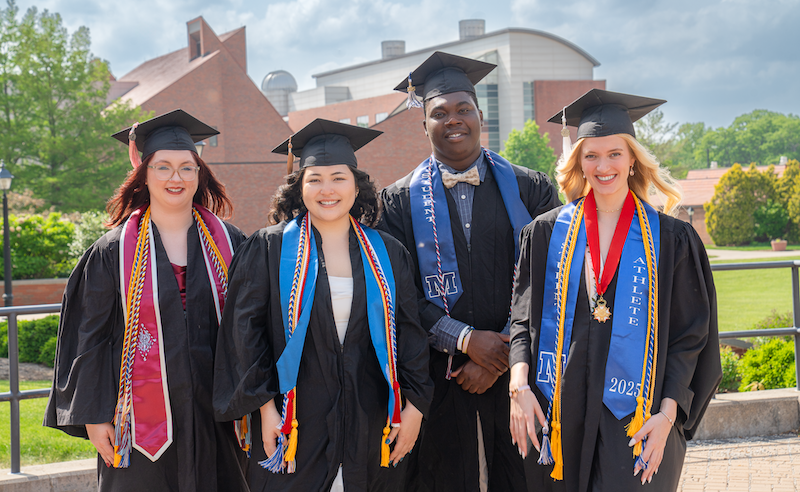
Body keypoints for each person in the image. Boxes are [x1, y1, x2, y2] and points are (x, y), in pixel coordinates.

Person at [508, 89, 721, 492]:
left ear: (633, 159)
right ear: (578, 161)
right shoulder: (546, 234)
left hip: (639, 420)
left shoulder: (672, 240)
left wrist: (668, 417)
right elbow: (522, 321)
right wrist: (518, 388)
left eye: (615, 154)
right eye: (591, 155)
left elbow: (690, 337)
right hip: (558, 417)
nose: (603, 166)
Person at [213, 119, 434, 492]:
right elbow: (244, 334)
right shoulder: (268, 249)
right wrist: (265, 409)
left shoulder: (388, 252)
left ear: (356, 186)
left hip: (372, 423)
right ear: (299, 188)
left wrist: (415, 407)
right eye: (314, 179)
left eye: (338, 178)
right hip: (294, 424)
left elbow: (410, 333)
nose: (327, 189)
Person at [379, 52, 561, 492]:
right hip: (439, 376)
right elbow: (398, 294)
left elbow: (551, 277)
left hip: (522, 374)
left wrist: (503, 355)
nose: (453, 120)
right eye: (439, 113)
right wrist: (465, 341)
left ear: (481, 116)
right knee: (443, 477)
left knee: (522, 478)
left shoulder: (532, 189)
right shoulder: (397, 203)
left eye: (464, 109)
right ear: (423, 125)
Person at [44, 110, 249, 491]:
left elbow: (251, 326)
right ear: (144, 173)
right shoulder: (112, 251)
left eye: (187, 168)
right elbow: (90, 336)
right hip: (138, 423)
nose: (176, 178)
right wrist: (94, 416)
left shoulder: (231, 243)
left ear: (200, 174)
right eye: (163, 167)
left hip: (218, 413)